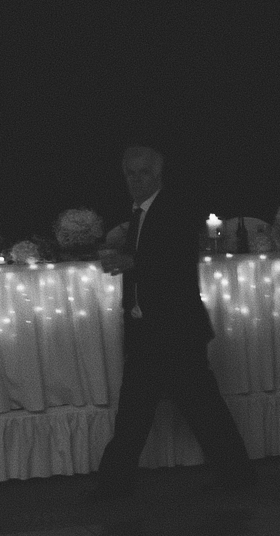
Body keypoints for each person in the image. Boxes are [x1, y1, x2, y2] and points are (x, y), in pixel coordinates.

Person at [90, 144, 256, 499]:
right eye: (130, 173)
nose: (135, 180)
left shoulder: (173, 209)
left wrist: (132, 262)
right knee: (147, 411)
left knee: (192, 408)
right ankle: (115, 483)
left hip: (174, 329)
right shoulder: (141, 212)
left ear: (158, 174)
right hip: (153, 329)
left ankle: (114, 485)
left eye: (143, 173)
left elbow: (177, 260)